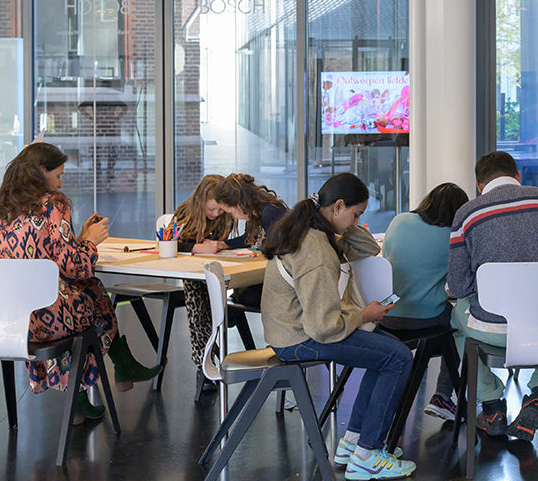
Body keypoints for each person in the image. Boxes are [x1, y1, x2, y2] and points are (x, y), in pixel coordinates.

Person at [0, 142, 161, 424]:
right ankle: (116, 368)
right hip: (48, 317)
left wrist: (78, 240)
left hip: (8, 320)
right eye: (59, 174)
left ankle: (87, 391)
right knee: (93, 292)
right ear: (42, 171)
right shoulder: (53, 205)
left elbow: (44, 257)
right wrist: (91, 240)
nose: (60, 181)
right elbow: (75, 267)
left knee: (88, 292)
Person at [262, 173, 416, 479]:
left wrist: (347, 224)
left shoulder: (315, 232)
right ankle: (367, 455)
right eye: (355, 214)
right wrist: (364, 316)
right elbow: (322, 326)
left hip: (290, 331)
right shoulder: (316, 249)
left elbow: (368, 249)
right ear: (338, 205)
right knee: (398, 357)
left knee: (384, 355)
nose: (355, 221)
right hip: (299, 338)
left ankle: (355, 441)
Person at [448, 151, 538, 441]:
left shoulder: (466, 214)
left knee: (453, 322)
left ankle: (491, 406)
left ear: (479, 184)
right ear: (517, 176)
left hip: (491, 329)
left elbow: (459, 285)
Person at [380, 182, 470, 421]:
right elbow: (460, 284)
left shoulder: (399, 221)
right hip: (425, 319)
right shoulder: (452, 237)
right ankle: (442, 395)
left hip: (384, 316)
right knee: (461, 325)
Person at [173, 175, 248, 371]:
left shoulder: (226, 216)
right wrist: (197, 248)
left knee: (209, 288)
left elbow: (240, 240)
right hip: (193, 273)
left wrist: (221, 244)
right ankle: (205, 357)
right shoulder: (185, 213)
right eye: (211, 209)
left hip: (218, 271)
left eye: (220, 209)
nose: (216, 213)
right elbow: (170, 244)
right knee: (194, 287)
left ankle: (207, 353)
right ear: (199, 201)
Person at [215, 173, 289, 308]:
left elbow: (280, 251)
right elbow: (248, 239)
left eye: (231, 212)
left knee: (240, 297)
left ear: (239, 204)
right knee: (236, 295)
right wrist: (221, 244)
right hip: (268, 274)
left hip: (283, 279)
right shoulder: (254, 213)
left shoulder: (271, 212)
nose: (233, 216)